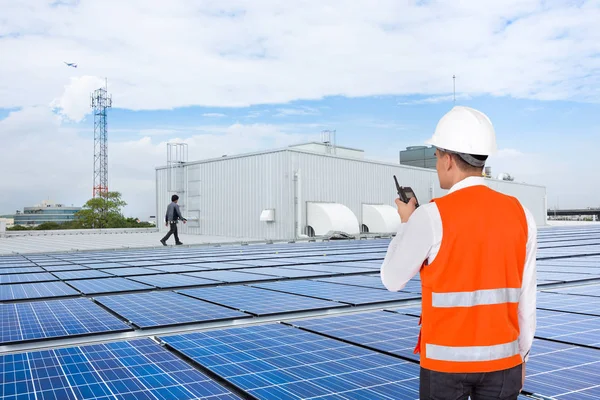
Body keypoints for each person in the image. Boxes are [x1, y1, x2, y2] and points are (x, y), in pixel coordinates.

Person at [380, 106, 537, 400]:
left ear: (449, 160)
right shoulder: (522, 214)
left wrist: (406, 223)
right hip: (503, 365)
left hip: (444, 368)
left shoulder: (429, 217)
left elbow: (391, 279)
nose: (437, 164)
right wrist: (523, 358)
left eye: (437, 156)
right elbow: (526, 301)